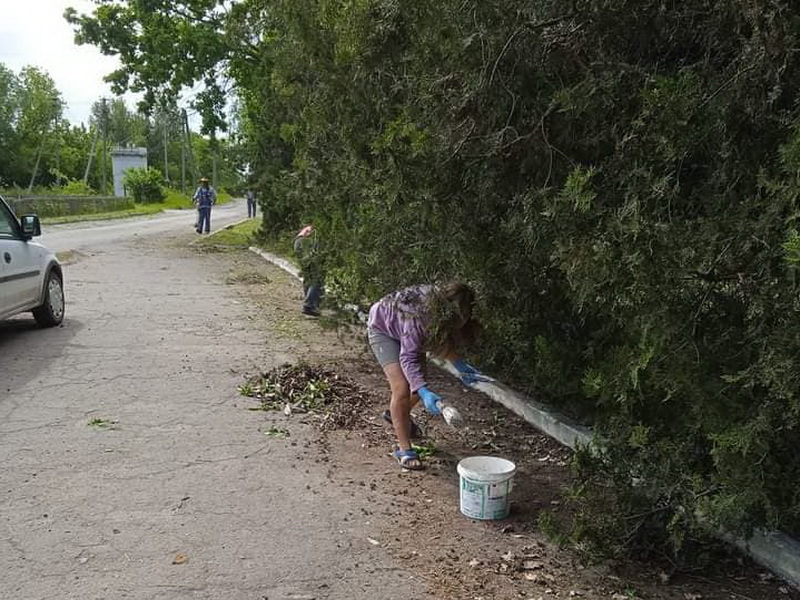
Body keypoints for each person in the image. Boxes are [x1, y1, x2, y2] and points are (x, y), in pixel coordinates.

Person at [367, 282, 488, 470]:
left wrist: (459, 365)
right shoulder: (417, 316)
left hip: (405, 329)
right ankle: (404, 450)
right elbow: (408, 357)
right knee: (402, 389)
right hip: (382, 327)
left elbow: (440, 340)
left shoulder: (446, 307)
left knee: (418, 381)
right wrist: (422, 390)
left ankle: (396, 414)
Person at [293, 225, 324, 317]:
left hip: (298, 242)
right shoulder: (319, 226)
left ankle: (311, 304)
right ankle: (310, 305)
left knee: (308, 276)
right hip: (307, 244)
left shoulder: (309, 226)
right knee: (316, 278)